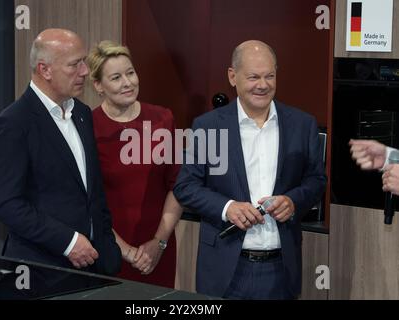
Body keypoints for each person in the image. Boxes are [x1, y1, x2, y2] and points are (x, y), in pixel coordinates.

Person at [173, 40, 327, 299]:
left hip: (281, 269)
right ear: (232, 76)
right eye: (254, 77)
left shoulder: (302, 124)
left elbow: (316, 179)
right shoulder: (208, 126)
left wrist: (293, 201)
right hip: (225, 270)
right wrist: (228, 208)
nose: (263, 85)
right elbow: (186, 186)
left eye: (270, 76)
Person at [0, 29, 121, 276]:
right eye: (75, 64)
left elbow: (93, 192)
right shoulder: (14, 123)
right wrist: (68, 242)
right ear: (44, 70)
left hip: (95, 267)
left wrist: (108, 247)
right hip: (41, 271)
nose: (84, 72)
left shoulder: (82, 114)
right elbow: (5, 203)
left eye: (84, 61)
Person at [86, 41, 183, 288]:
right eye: (116, 77)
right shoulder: (88, 126)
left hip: (158, 250)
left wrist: (159, 242)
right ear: (98, 85)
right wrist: (126, 251)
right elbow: (87, 200)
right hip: (109, 250)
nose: (128, 82)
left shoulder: (163, 118)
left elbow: (178, 185)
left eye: (130, 72)